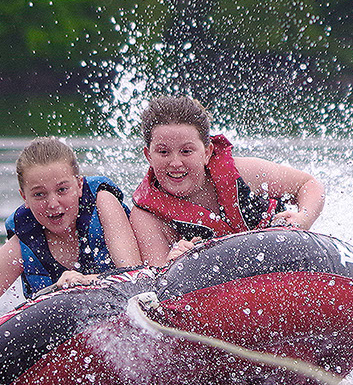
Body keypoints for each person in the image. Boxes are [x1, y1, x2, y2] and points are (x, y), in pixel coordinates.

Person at [0, 137, 141, 383]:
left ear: (79, 185)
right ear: (24, 198)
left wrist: (85, 281)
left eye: (62, 190)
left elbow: (134, 276)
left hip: (124, 329)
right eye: (39, 194)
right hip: (65, 352)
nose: (53, 203)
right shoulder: (21, 246)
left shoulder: (103, 203)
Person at [130, 96, 325, 266]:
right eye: (163, 152)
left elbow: (307, 184)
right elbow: (157, 278)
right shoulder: (146, 215)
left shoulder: (243, 172)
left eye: (186, 151)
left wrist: (304, 218)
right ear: (148, 156)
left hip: (285, 258)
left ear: (207, 152)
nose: (175, 163)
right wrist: (174, 262)